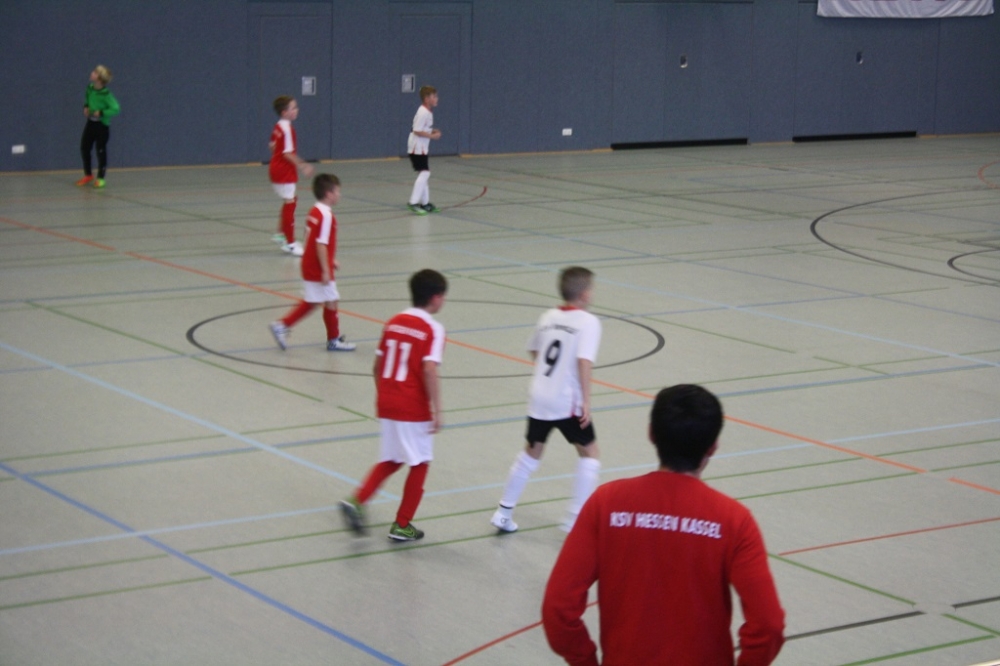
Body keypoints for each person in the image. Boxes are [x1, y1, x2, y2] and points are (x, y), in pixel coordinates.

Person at [542, 384, 785, 666]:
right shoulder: (734, 521)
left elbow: (558, 608)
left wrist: (584, 661)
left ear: (651, 434)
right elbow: (769, 625)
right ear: (713, 446)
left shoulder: (606, 504)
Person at [491, 266, 602, 534]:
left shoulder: (548, 316)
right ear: (585, 294)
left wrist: (550, 375)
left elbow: (534, 349)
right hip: (566, 401)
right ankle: (576, 519)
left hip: (539, 396)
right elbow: (584, 361)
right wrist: (586, 401)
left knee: (532, 453)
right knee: (590, 453)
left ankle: (503, 512)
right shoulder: (588, 322)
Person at [340, 269, 448, 541]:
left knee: (391, 458)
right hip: (412, 405)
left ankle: (357, 501)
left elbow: (376, 366)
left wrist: (385, 396)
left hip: (387, 400)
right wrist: (438, 410)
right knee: (420, 462)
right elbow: (429, 369)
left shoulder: (393, 323)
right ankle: (402, 524)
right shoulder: (433, 329)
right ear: (436, 298)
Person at [269, 174, 356, 353]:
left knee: (314, 301)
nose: (339, 195)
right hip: (317, 266)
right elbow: (320, 244)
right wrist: (325, 269)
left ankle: (283, 325)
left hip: (309, 263)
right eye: (337, 191)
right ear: (329, 194)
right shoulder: (327, 216)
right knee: (331, 300)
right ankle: (332, 340)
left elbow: (313, 240)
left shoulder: (314, 211)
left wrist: (330, 260)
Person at [269, 95, 314, 256]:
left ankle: (280, 233)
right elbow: (287, 153)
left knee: (291, 200)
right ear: (284, 112)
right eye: (293, 108)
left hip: (278, 168)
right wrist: (303, 165)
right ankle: (291, 244)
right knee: (290, 204)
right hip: (283, 171)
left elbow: (272, 145)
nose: (296, 110)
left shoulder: (279, 126)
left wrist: (278, 158)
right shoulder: (287, 130)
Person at [76, 65, 120, 189]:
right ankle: (88, 174)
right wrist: (86, 107)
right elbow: (87, 98)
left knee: (100, 150)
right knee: (84, 148)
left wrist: (101, 112)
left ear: (100, 79)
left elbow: (116, 109)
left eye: (95, 73)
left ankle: (100, 178)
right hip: (91, 123)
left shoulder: (106, 94)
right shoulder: (90, 88)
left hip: (102, 126)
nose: (92, 73)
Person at [406, 85, 442, 215]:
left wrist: (432, 130)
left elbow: (422, 128)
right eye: (434, 96)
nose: (437, 98)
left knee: (424, 174)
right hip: (417, 148)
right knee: (425, 173)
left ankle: (425, 203)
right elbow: (417, 130)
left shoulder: (427, 112)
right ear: (427, 99)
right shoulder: (423, 112)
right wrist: (432, 136)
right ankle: (413, 202)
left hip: (421, 147)